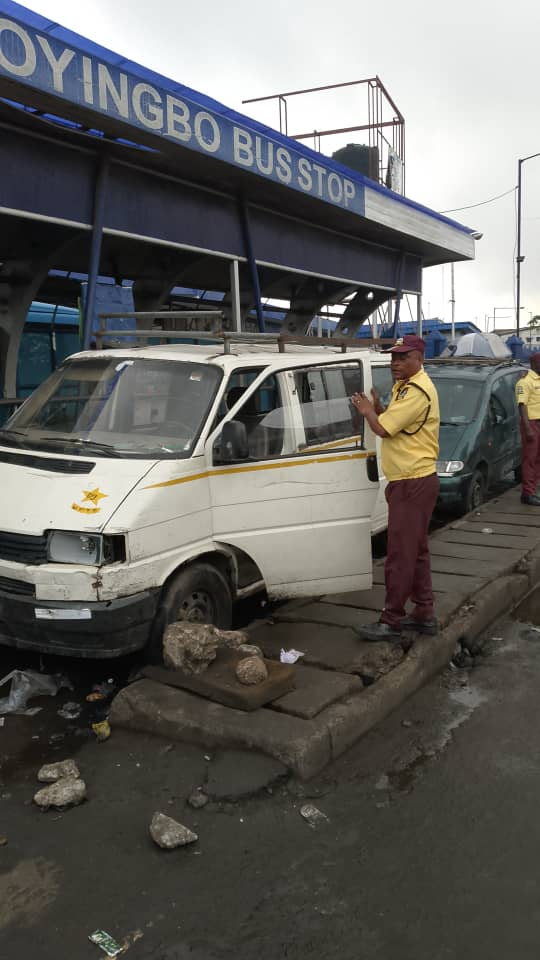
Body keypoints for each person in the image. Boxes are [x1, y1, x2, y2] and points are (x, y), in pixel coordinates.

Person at [351, 334, 440, 642]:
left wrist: (367, 411)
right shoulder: (405, 387)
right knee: (416, 552)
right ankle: (424, 612)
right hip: (412, 479)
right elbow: (393, 418)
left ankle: (391, 620)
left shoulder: (417, 390)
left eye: (403, 358)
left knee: (400, 553)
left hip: (412, 482)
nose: (395, 363)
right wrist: (379, 405)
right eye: (393, 358)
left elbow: (384, 429)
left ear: (419, 358)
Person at [515, 352, 540, 506]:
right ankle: (527, 493)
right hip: (531, 424)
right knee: (529, 459)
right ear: (534, 364)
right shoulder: (524, 382)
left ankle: (533, 489)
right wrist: (528, 429)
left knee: (538, 458)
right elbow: (522, 405)